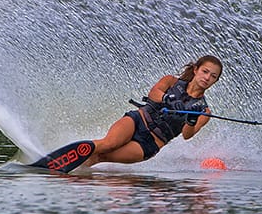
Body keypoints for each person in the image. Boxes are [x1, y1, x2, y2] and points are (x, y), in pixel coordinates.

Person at [81, 55, 223, 167]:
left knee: (102, 156)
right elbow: (153, 93)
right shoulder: (171, 81)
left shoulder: (204, 111)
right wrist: (168, 99)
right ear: (196, 69)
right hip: (138, 120)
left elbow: (187, 135)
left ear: (215, 82)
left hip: (150, 143)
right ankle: (70, 156)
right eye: (205, 71)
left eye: (213, 76)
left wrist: (191, 119)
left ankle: (74, 171)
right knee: (108, 144)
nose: (207, 78)